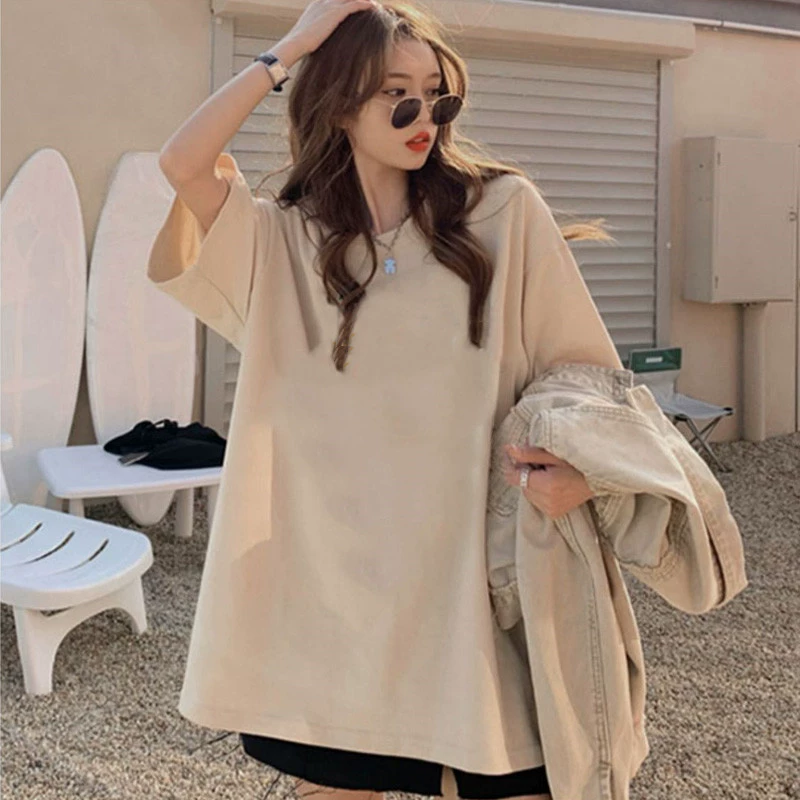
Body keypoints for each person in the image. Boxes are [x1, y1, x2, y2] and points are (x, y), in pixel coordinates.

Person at [147, 1, 624, 799]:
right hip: (329, 592)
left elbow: (584, 376)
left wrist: (585, 470)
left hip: (471, 581)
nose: (423, 116)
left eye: (435, 94)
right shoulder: (286, 240)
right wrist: (295, 45)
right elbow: (183, 163)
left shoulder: (502, 215)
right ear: (338, 104)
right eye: (395, 93)